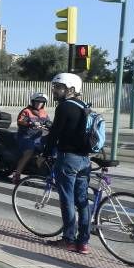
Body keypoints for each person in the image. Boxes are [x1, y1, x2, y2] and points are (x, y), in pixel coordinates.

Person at [45, 72, 92, 255]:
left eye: (59, 88)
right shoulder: (84, 106)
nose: (55, 91)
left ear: (71, 89)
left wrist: (46, 153)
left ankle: (69, 239)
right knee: (82, 201)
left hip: (68, 159)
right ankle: (83, 242)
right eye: (55, 87)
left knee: (67, 200)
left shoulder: (64, 107)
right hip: (84, 160)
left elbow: (55, 134)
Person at [12, 92, 51, 183]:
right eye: (37, 101)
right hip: (25, 136)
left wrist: (51, 125)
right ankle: (17, 175)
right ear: (33, 102)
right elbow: (20, 120)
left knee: (47, 150)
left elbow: (48, 122)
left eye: (41, 102)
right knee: (29, 152)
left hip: (37, 137)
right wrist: (30, 123)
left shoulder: (43, 113)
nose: (39, 104)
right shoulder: (26, 111)